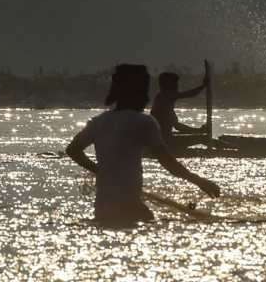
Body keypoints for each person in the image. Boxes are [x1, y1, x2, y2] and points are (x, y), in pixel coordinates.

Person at [65, 64, 220, 227]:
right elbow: (167, 162)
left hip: (102, 208)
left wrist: (99, 170)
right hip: (129, 206)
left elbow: (72, 150)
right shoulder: (144, 122)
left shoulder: (98, 121)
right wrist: (200, 181)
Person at [150, 72, 209, 143]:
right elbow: (189, 94)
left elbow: (177, 126)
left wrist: (199, 131)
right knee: (203, 139)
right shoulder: (164, 98)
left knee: (203, 138)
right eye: (175, 84)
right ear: (168, 86)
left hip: (164, 139)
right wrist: (203, 86)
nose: (177, 86)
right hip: (163, 142)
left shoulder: (163, 99)